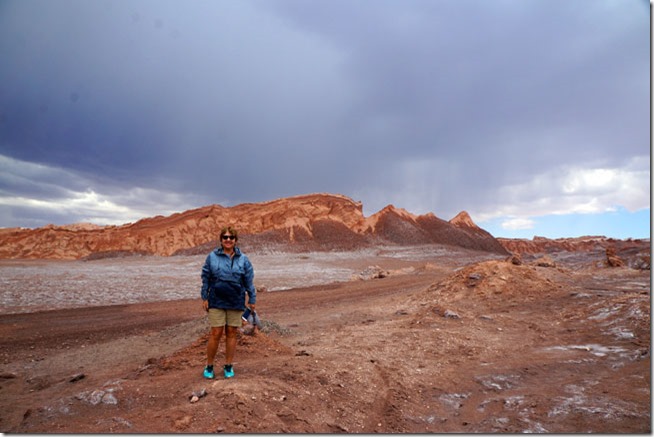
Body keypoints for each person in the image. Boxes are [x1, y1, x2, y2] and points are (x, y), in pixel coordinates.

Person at [200, 226, 256, 379]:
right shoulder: (212, 257)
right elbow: (205, 277)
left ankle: (228, 365)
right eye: (225, 237)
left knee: (231, 333)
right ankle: (209, 366)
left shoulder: (243, 259)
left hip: (236, 299)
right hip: (216, 299)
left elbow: (248, 280)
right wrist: (204, 297)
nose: (228, 240)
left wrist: (252, 299)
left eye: (231, 237)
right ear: (221, 240)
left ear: (235, 240)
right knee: (216, 333)